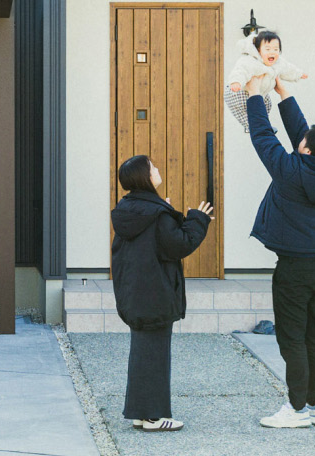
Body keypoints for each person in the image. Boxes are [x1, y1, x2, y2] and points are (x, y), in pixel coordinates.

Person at [242, 75, 315, 429]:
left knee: (292, 338)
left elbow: (263, 137)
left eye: (302, 143)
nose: (299, 142)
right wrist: (285, 94)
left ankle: (296, 409)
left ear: (306, 151)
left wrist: (254, 94)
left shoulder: (290, 172)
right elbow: (302, 134)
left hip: (294, 271)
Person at [109, 154, 214, 432]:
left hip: (133, 293)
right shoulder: (156, 214)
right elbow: (180, 244)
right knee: (155, 354)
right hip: (155, 294)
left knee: (143, 352)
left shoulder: (127, 209)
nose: (156, 170)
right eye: (152, 167)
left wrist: (165, 213)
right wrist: (198, 219)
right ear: (145, 177)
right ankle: (154, 417)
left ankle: (141, 413)